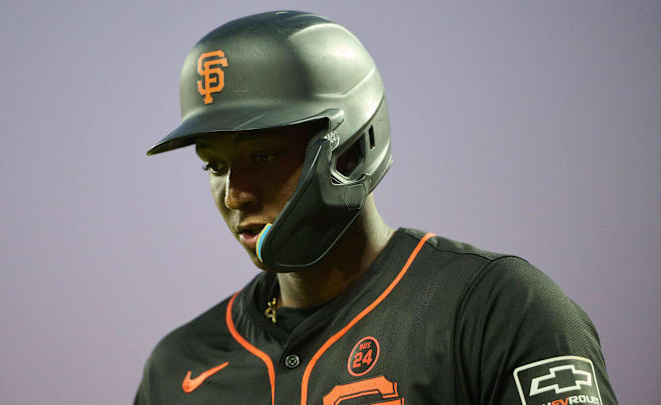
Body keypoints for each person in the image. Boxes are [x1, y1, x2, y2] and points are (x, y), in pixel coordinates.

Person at [135, 10, 617, 405]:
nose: (235, 194)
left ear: (350, 149)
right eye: (214, 167)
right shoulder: (177, 368)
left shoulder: (495, 310)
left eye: (262, 157)